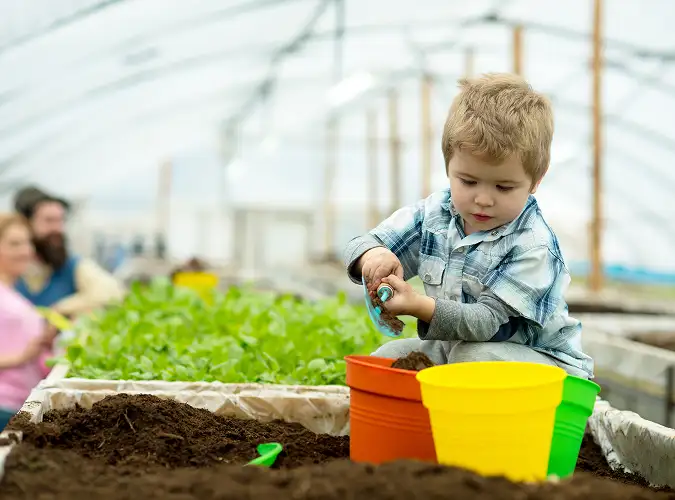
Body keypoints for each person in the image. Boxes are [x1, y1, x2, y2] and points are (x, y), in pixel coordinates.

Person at [344, 73, 593, 380]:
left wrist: (419, 305)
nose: (483, 199)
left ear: (535, 182)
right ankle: (415, 425)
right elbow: (364, 243)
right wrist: (374, 258)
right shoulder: (435, 215)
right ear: (448, 167)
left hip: (544, 369)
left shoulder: (533, 245)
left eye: (503, 187)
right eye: (468, 181)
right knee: (388, 360)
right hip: (459, 351)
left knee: (474, 358)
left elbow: (486, 323)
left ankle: (469, 426)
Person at [12, 186, 124, 317]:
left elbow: (111, 293)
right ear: (26, 223)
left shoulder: (70, 266)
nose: (58, 228)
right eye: (49, 221)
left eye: (60, 220)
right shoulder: (11, 269)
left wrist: (58, 310)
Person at [0, 213, 58, 430]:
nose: (26, 251)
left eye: (27, 243)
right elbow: (20, 353)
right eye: (15, 244)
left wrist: (44, 344)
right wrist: (21, 356)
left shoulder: (14, 293)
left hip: (20, 403)